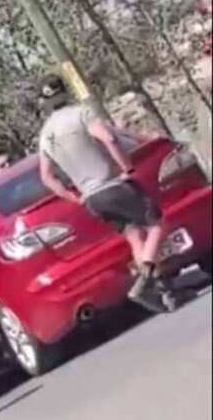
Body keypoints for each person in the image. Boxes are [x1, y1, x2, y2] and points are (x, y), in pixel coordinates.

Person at [37, 75, 173, 309]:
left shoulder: (45, 135)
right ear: (65, 92)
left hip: (92, 199)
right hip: (112, 185)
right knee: (158, 224)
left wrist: (75, 197)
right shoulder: (82, 114)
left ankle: (163, 292)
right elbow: (109, 138)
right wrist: (127, 168)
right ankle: (145, 279)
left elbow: (47, 177)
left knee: (134, 236)